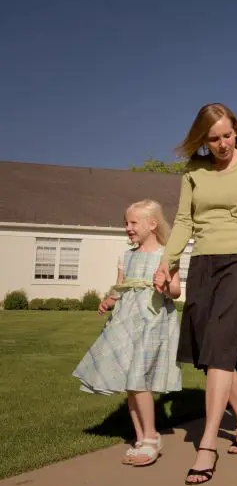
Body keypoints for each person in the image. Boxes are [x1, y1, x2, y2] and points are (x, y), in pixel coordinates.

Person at [152, 103, 237, 486]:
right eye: (214, 138)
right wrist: (168, 262)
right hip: (204, 264)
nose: (223, 143)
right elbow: (183, 220)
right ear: (202, 140)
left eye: (228, 135)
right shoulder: (194, 171)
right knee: (214, 350)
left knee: (222, 345)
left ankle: (207, 443)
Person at [73, 199, 182, 467]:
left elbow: (177, 292)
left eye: (133, 222)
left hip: (152, 322)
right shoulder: (127, 256)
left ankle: (152, 438)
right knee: (129, 384)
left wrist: (165, 286)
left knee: (138, 380)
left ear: (152, 224)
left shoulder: (166, 256)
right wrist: (110, 299)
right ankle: (141, 437)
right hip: (125, 321)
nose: (128, 227)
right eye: (127, 222)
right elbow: (120, 287)